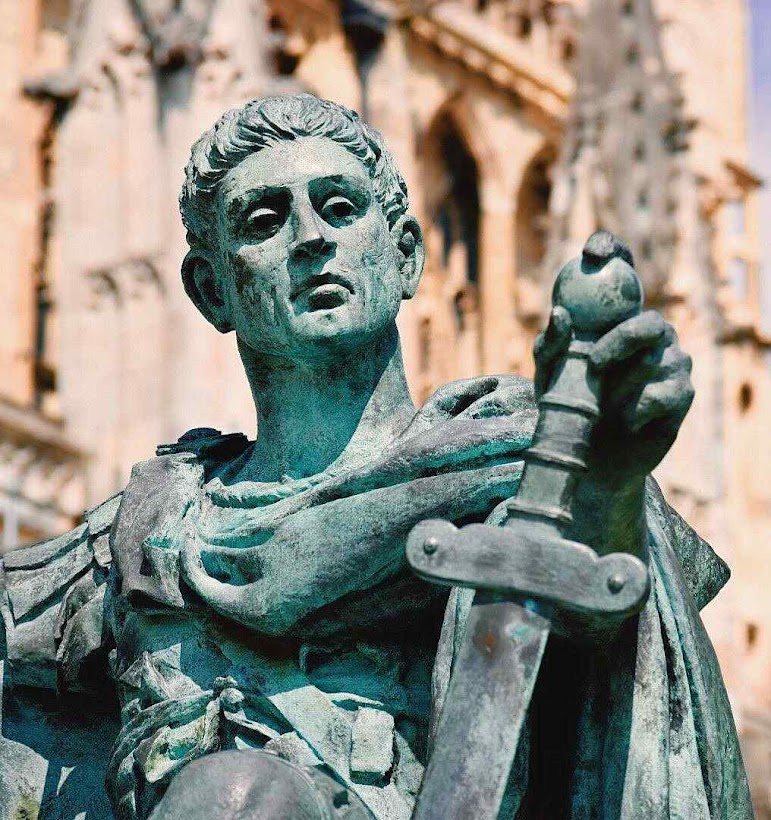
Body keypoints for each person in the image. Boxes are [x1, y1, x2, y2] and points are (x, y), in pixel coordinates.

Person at [0, 94, 752, 820]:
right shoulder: (152, 525)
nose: (310, 238)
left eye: (339, 208)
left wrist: (607, 481)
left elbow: (594, 609)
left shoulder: (509, 463)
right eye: (265, 220)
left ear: (405, 256)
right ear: (211, 290)